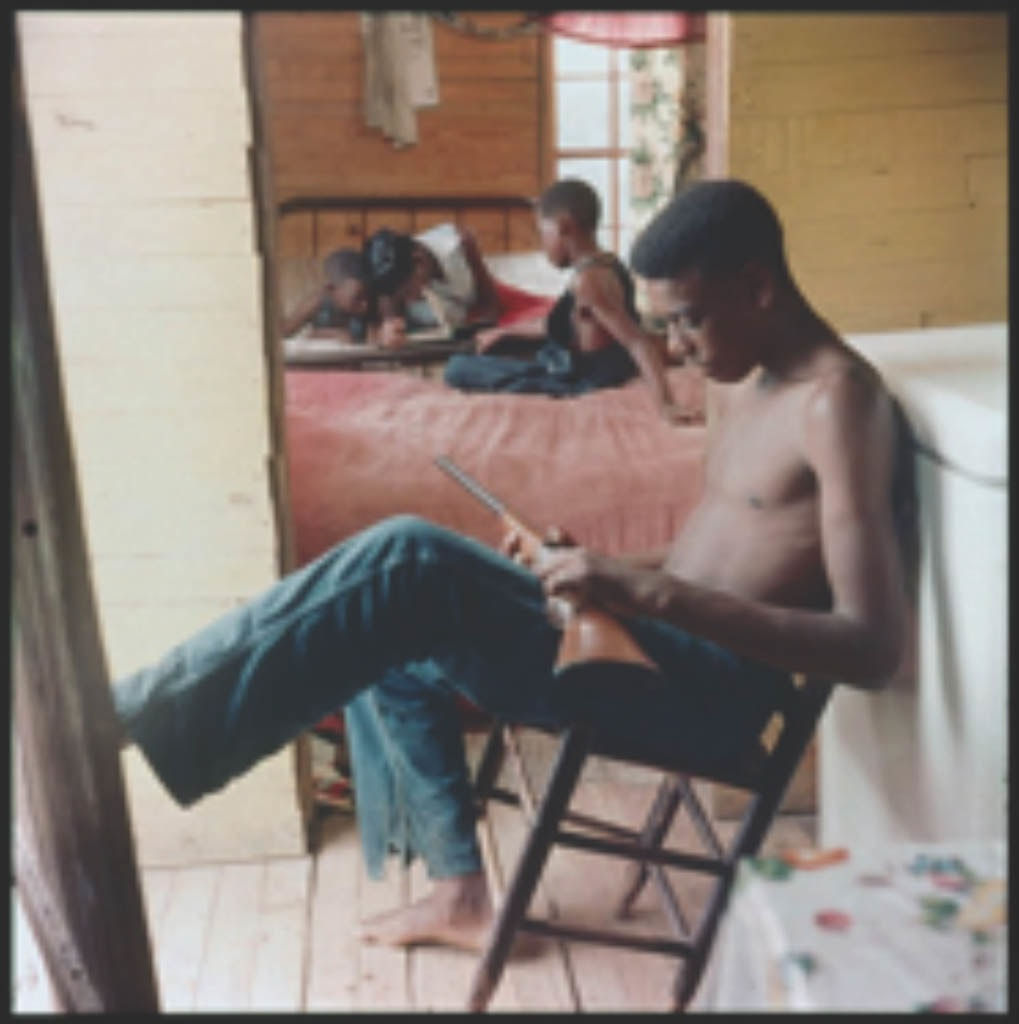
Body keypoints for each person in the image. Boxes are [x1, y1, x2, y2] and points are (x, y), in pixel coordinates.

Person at [113, 179, 916, 954]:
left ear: (758, 286)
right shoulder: (744, 381)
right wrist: (598, 565)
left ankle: (139, 712)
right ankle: (461, 895)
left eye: (688, 322)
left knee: (406, 556)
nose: (672, 347)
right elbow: (719, 554)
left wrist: (645, 591)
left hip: (704, 696)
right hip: (646, 639)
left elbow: (871, 650)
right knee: (390, 634)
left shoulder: (837, 403)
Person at [442, 178, 687, 422]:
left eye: (542, 233)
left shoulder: (590, 282)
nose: (543, 244)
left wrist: (666, 404)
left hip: (580, 381)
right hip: (573, 365)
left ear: (564, 227)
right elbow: (555, 324)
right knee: (495, 353)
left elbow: (637, 341)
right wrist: (503, 332)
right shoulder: (606, 263)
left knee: (457, 368)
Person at [362, 222, 504, 349]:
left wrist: (475, 329)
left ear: (419, 263)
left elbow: (489, 304)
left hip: (471, 319)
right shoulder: (397, 279)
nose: (409, 299)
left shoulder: (459, 244)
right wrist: (389, 326)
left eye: (408, 291)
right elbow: (388, 301)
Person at [279, 247, 376, 344]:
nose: (365, 305)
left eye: (368, 295)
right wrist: (329, 334)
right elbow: (285, 330)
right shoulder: (318, 301)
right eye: (357, 298)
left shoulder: (367, 310)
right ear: (331, 289)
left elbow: (373, 339)